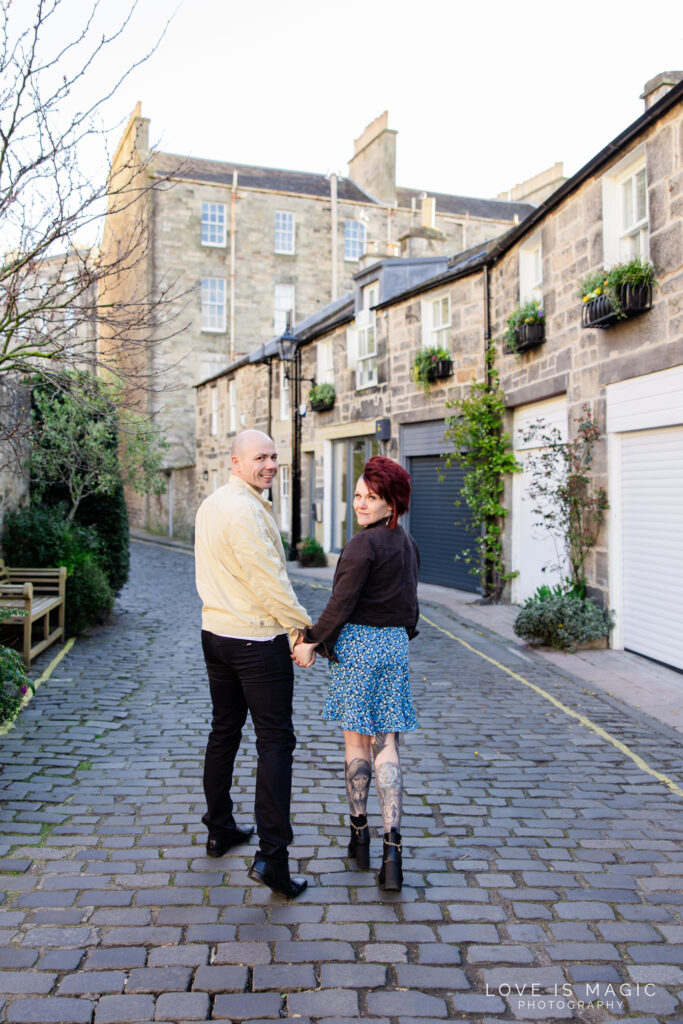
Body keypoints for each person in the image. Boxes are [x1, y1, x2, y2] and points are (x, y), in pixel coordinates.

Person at [195, 429, 314, 899]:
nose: (269, 464)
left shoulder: (214, 503)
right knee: (275, 742)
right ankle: (273, 858)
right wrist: (305, 630)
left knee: (224, 730)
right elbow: (269, 582)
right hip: (255, 639)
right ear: (235, 462)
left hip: (216, 634)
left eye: (273, 457)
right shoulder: (245, 510)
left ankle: (220, 828)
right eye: (259, 457)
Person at [293, 456, 419, 891]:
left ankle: (359, 834)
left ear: (393, 503)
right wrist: (398, 640)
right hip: (394, 648)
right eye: (359, 496)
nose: (361, 505)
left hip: (360, 648)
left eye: (372, 498)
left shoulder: (361, 545)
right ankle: (393, 852)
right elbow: (411, 609)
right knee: (388, 745)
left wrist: (309, 640)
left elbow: (339, 606)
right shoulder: (406, 544)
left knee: (356, 744)